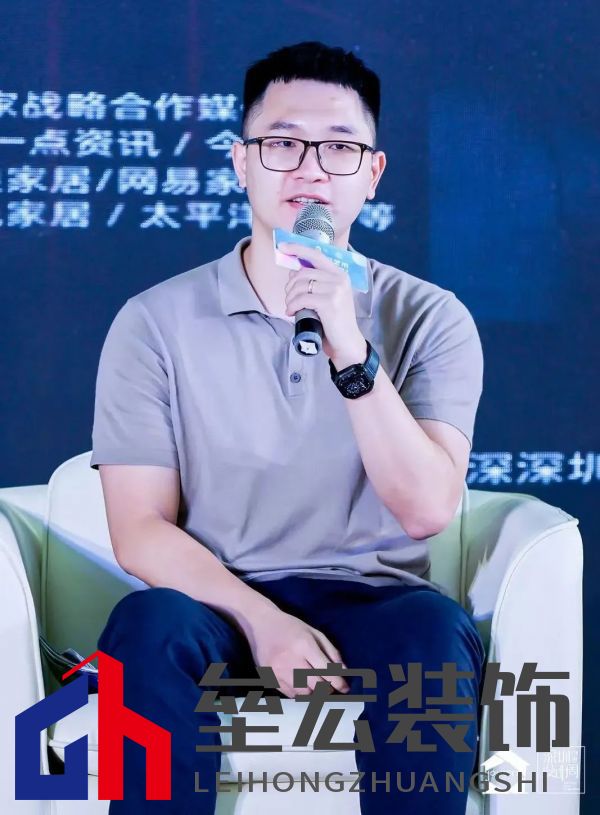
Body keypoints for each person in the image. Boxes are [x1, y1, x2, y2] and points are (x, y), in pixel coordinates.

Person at [91, 41, 485, 814]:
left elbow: (427, 509)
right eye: (283, 143)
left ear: (373, 173)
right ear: (242, 162)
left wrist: (350, 348)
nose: (310, 169)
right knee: (148, 623)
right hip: (214, 599)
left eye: (339, 147)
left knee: (430, 634)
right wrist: (263, 621)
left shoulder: (432, 317)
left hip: (374, 599)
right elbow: (139, 530)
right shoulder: (154, 321)